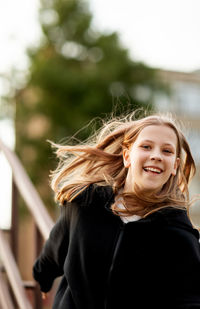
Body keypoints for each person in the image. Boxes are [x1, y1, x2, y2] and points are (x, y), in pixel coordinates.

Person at [33, 111, 200, 309]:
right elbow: (56, 248)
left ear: (175, 166)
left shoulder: (179, 234)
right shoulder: (85, 203)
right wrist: (42, 277)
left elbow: (189, 299)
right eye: (146, 147)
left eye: (167, 151)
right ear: (127, 156)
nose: (156, 156)